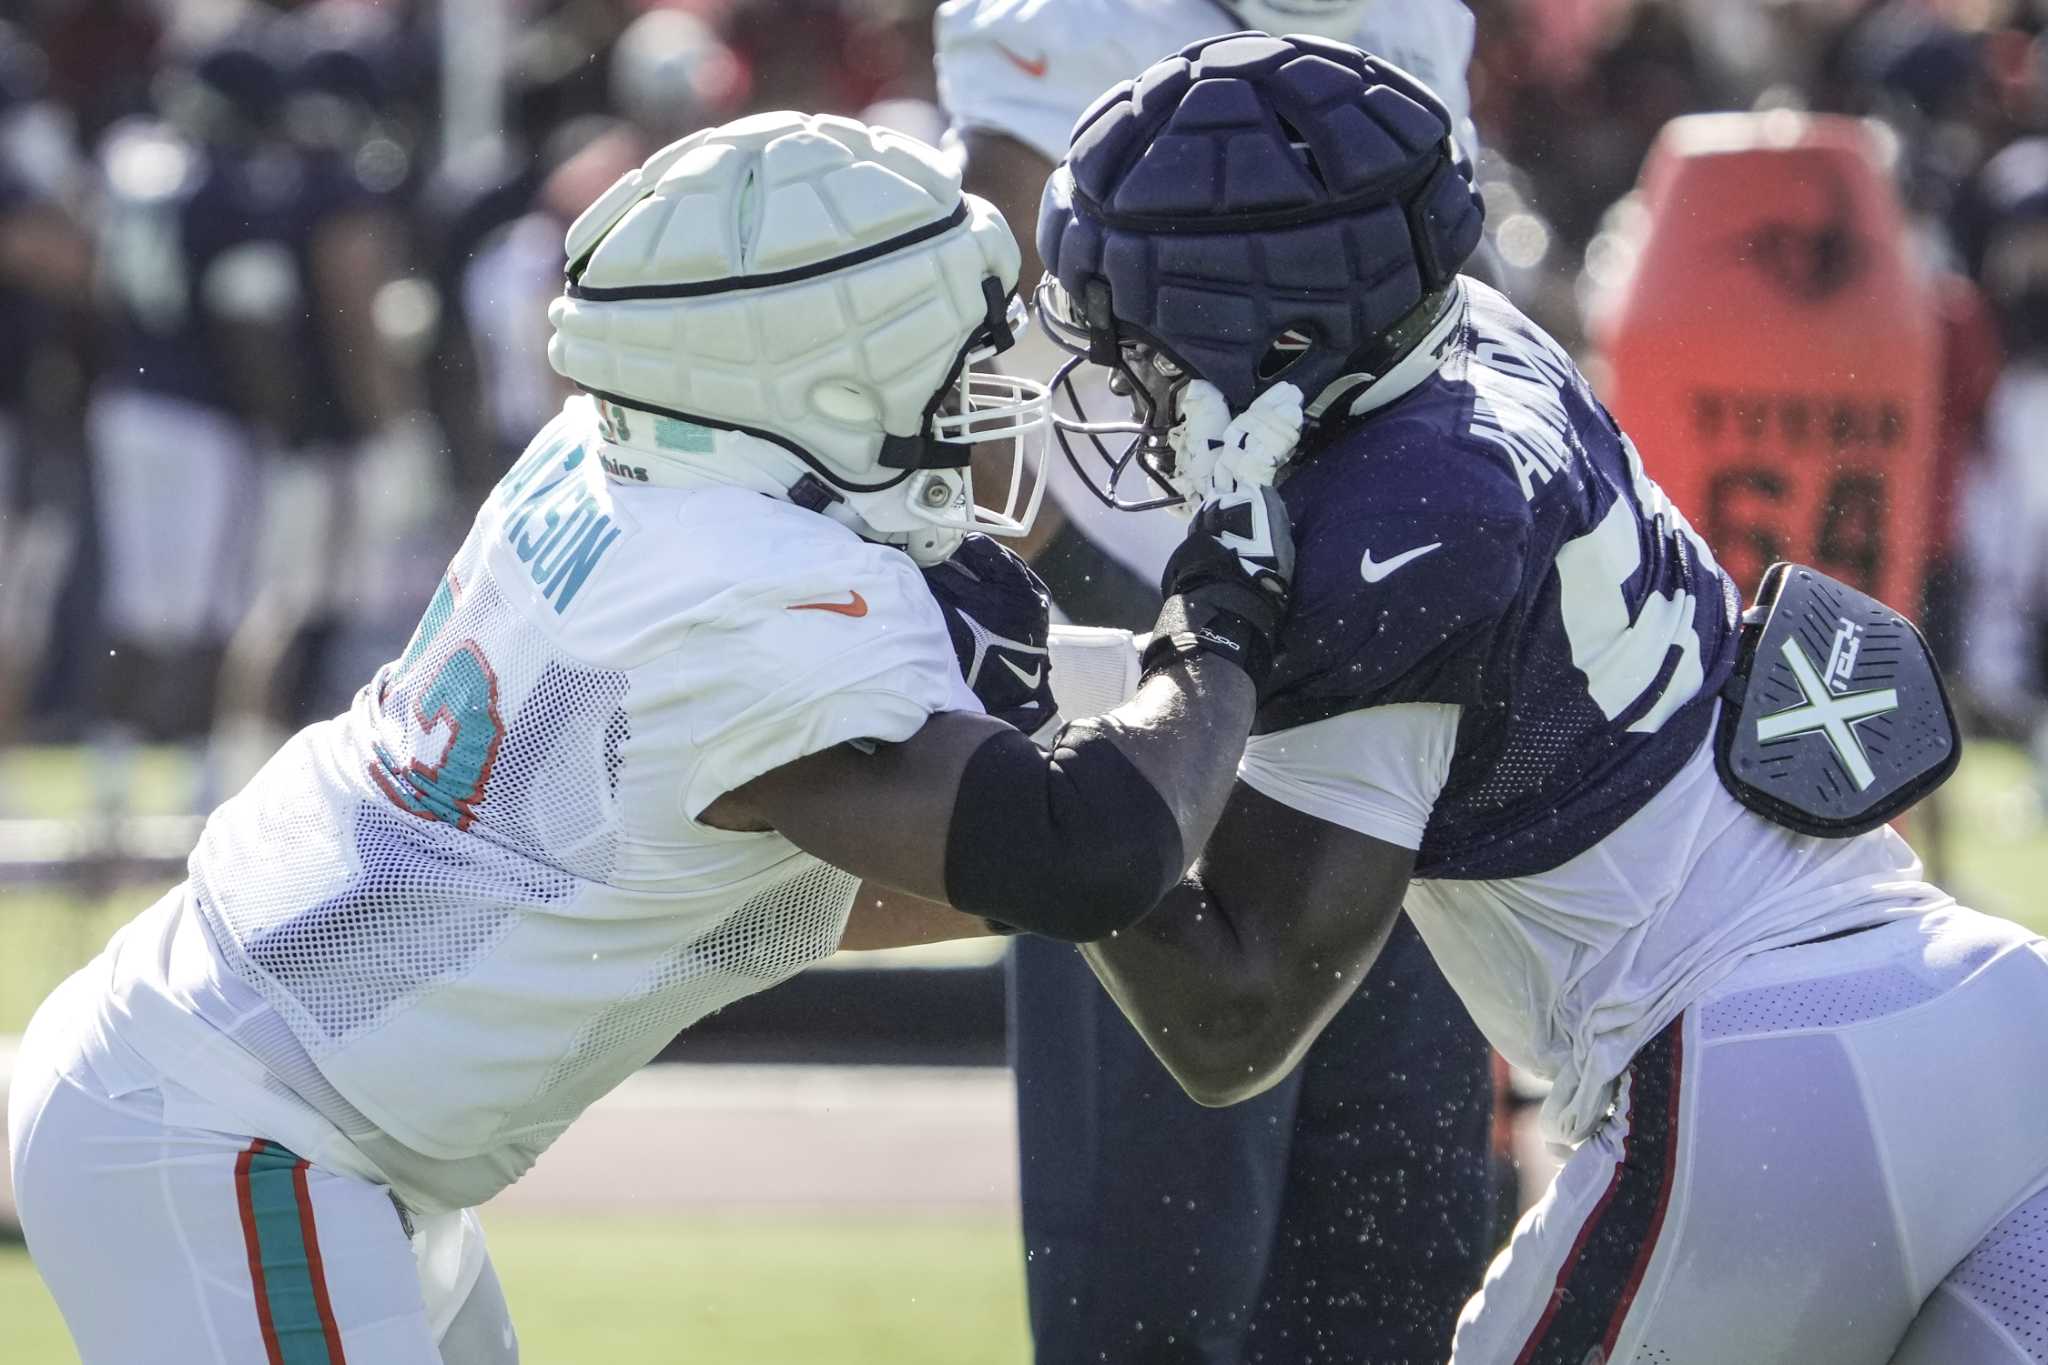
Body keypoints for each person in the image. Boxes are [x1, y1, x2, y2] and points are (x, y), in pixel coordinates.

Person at [6, 111, 1302, 1364]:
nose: (987, 394)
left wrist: (1157, 749)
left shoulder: (619, 457)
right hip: (247, 1129)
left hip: (279, 1095)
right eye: (949, 352)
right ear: (811, 364)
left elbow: (769, 875)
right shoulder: (752, 592)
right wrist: (1227, 620)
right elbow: (1079, 851)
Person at [1034, 34, 2048, 1363]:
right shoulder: (1477, 344)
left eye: (1153, 345)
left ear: (1271, 335)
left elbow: (1237, 1017)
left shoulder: (1378, 527)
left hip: (1749, 1092)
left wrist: (1046, 778)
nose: (1135, 387)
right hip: (1983, 1017)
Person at [935, 4, 1498, 1359]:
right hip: (1157, 634)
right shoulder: (1071, 24)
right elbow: (979, 398)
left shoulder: (1415, 20)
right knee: (1160, 1265)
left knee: (1402, 1255)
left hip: (1388, 635)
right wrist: (1139, 610)